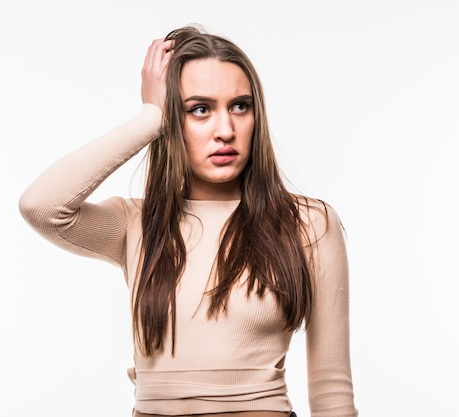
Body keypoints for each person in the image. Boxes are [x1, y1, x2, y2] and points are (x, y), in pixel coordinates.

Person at [19, 25, 358, 417]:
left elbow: (332, 394)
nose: (225, 130)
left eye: (240, 106)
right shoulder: (138, 224)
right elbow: (41, 206)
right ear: (172, 120)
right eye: (199, 109)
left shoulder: (308, 223)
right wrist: (149, 118)